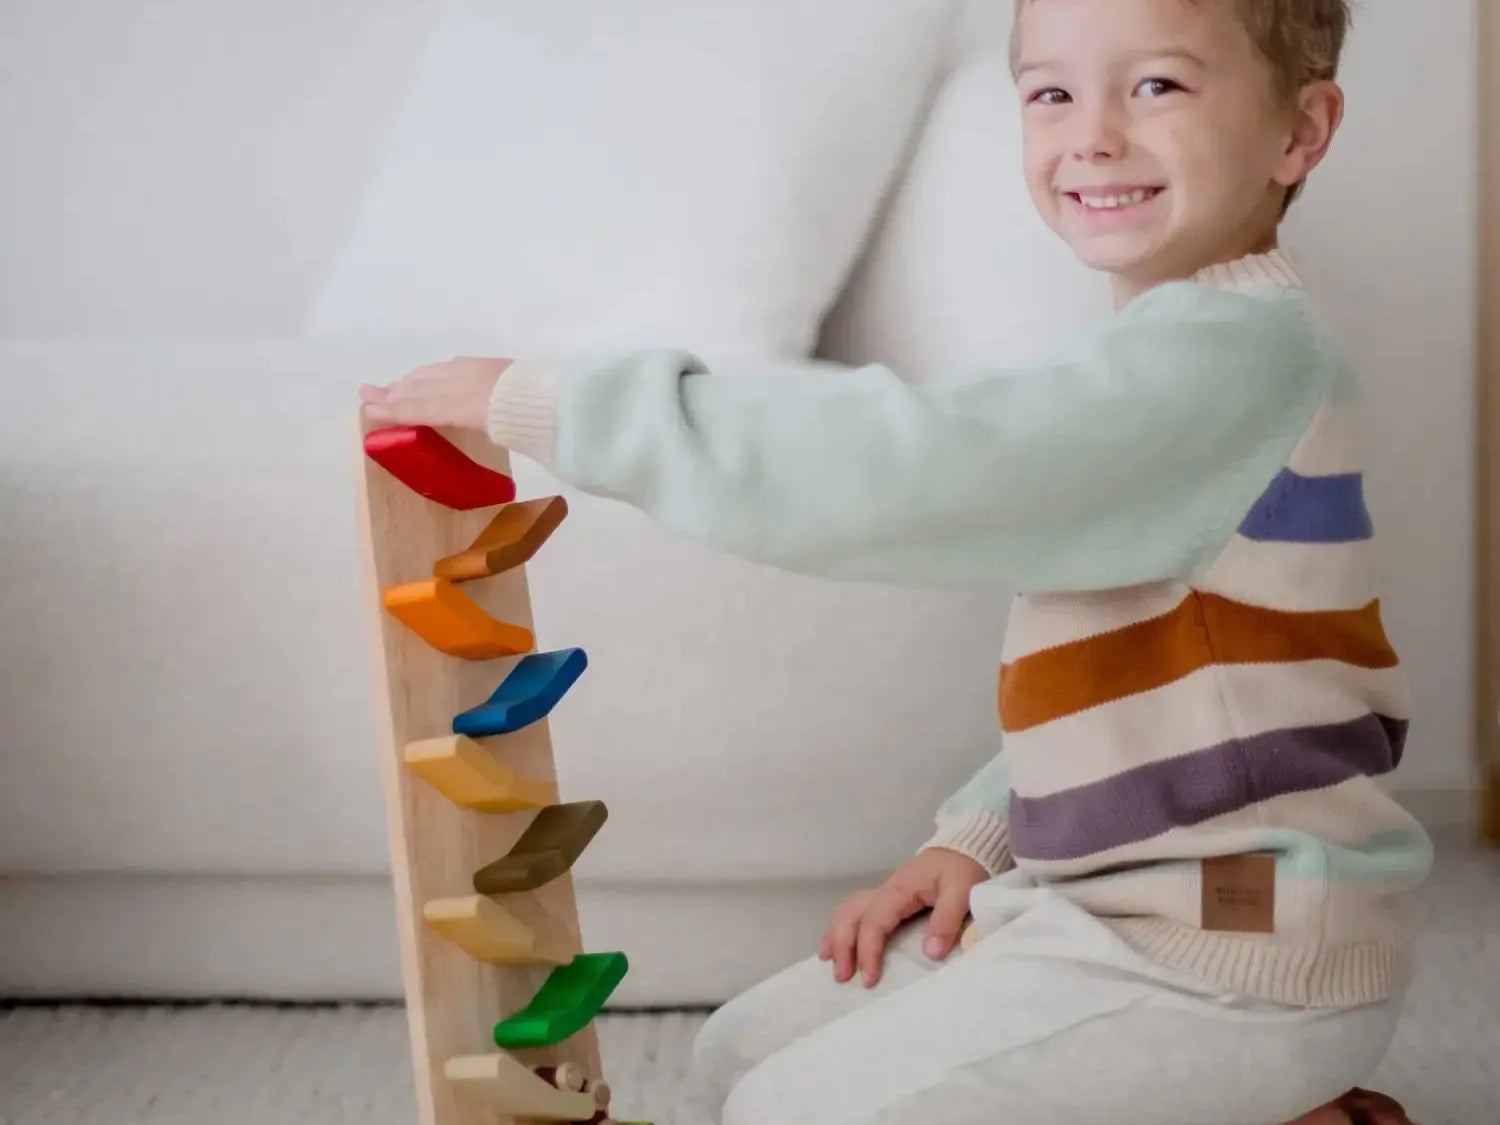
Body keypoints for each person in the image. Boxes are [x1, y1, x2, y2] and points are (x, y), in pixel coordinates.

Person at [360, 0, 1430, 1121]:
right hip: (1102, 911)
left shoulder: (1227, 362)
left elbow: (910, 469)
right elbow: (1137, 686)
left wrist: (574, 408)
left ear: (1301, 133)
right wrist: (978, 835)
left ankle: (1257, 1086)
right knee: (738, 1059)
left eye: (1157, 86)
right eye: (1052, 93)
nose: (1094, 134)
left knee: (793, 1113)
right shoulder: (1158, 363)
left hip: (1227, 951)